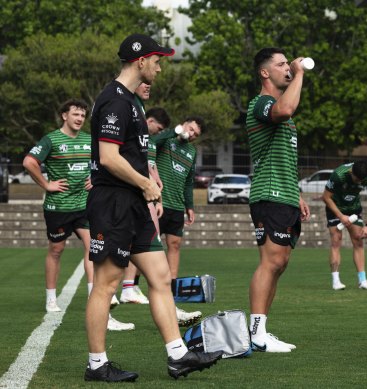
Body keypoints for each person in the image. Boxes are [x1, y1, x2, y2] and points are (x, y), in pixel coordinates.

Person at [84, 33, 222, 382]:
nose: (160, 68)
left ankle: (179, 356)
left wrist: (150, 187)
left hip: (134, 202)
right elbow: (109, 158)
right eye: (157, 61)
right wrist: (147, 184)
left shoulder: (133, 102)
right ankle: (97, 365)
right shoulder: (114, 100)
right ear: (141, 60)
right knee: (107, 283)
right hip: (114, 202)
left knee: (160, 277)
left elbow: (134, 156)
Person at [23, 99, 134, 331]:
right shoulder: (51, 139)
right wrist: (46, 184)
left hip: (85, 205)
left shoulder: (89, 140)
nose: (79, 118)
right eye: (75, 114)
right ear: (64, 115)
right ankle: (51, 299)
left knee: (92, 246)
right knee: (56, 250)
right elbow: (29, 162)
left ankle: (96, 297)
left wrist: (95, 178)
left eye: (82, 115)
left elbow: (105, 160)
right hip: (59, 207)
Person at [246, 47, 311, 353]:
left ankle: (261, 330)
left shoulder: (279, 106)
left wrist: (296, 193)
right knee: (270, 262)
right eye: (282, 64)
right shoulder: (262, 103)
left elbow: (281, 156)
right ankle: (255, 333)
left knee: (280, 263)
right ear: (265, 72)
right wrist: (299, 73)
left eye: (289, 64)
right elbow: (285, 110)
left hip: (284, 195)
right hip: (268, 195)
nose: (288, 67)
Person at [154, 116, 203, 326]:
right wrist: (174, 131)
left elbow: (189, 181)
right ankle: (130, 287)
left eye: (195, 134)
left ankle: (171, 297)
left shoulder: (192, 152)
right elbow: (150, 143)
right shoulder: (167, 139)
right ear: (184, 123)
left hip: (175, 207)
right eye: (190, 129)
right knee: (143, 247)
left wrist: (189, 206)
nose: (191, 135)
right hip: (156, 203)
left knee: (175, 245)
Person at [119, 104, 170, 305]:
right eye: (159, 128)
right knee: (142, 242)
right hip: (134, 195)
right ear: (149, 121)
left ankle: (130, 286)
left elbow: (151, 167)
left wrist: (159, 199)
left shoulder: (150, 142)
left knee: (149, 240)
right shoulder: (133, 135)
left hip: (149, 196)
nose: (160, 132)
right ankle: (128, 287)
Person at [322, 161, 367, 290]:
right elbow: (325, 197)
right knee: (336, 242)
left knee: (358, 241)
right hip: (335, 208)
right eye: (357, 179)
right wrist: (341, 216)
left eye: (361, 180)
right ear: (351, 172)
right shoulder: (338, 175)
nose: (359, 182)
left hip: (353, 209)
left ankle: (362, 281)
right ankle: (336, 281)